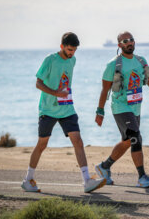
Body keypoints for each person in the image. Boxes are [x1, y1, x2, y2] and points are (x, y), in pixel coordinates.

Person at [21, 32, 106, 193]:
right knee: (42, 144)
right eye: (69, 50)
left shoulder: (73, 60)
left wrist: (62, 95)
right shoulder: (50, 60)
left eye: (74, 50)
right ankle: (27, 180)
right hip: (48, 109)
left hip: (67, 108)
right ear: (62, 46)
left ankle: (87, 180)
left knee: (78, 141)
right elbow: (38, 83)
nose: (71, 53)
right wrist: (56, 93)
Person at [94, 31, 149, 187]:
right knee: (136, 137)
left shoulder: (141, 61)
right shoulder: (113, 64)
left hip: (135, 107)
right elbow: (105, 89)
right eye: (125, 41)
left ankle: (104, 167)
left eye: (131, 40)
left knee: (127, 141)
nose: (129, 43)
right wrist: (100, 111)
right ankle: (142, 177)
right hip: (120, 106)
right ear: (119, 45)